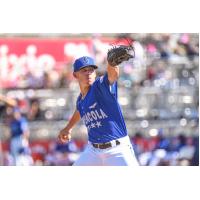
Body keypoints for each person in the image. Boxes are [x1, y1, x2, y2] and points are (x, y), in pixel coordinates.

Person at [58, 55, 139, 166]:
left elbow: (112, 75)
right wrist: (68, 128)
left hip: (117, 149)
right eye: (84, 70)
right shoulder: (80, 100)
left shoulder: (100, 86)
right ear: (75, 75)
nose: (88, 73)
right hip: (93, 151)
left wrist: (112, 63)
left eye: (91, 70)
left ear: (95, 73)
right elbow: (80, 110)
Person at [0, 94, 30, 165]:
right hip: (14, 139)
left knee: (23, 158)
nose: (15, 114)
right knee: (14, 159)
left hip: (20, 139)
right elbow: (9, 130)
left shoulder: (21, 120)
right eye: (14, 113)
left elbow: (26, 132)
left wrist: (24, 141)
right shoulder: (12, 121)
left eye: (16, 113)